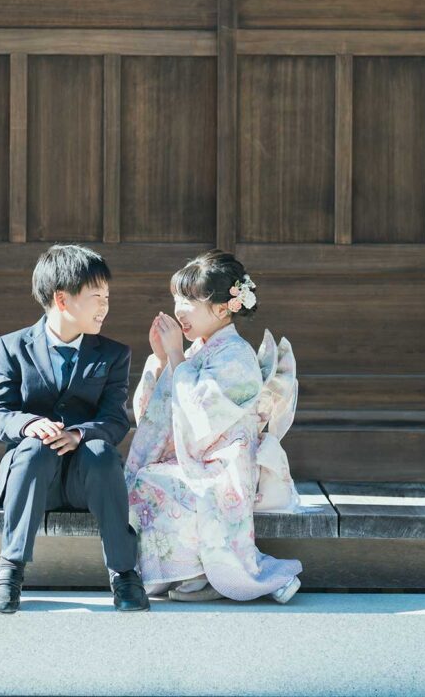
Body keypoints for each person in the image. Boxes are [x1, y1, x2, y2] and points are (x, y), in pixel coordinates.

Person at [126, 250, 303, 603]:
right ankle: (179, 571)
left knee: (163, 483)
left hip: (225, 464)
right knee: (146, 478)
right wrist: (162, 359)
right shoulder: (197, 352)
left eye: (190, 300)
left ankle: (198, 573)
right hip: (199, 458)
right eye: (176, 298)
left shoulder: (236, 356)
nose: (179, 310)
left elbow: (201, 417)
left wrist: (176, 355)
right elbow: (152, 414)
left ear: (223, 309)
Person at [0, 244, 149, 613]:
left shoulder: (113, 354)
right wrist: (30, 425)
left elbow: (115, 420)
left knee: (102, 450)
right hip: (33, 478)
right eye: (95, 297)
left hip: (86, 483)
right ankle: (9, 569)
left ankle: (124, 573)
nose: (105, 306)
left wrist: (78, 435)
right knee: (34, 448)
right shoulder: (11, 348)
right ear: (62, 299)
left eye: (107, 296)